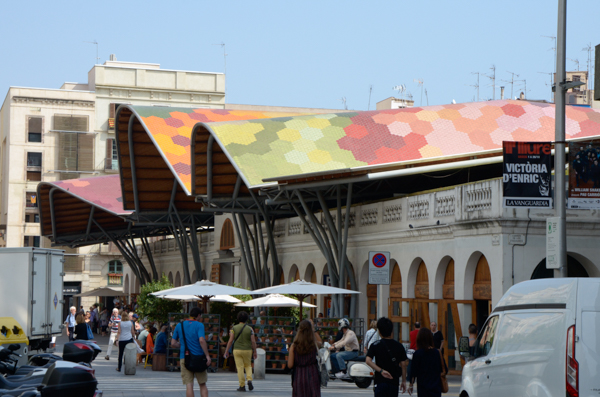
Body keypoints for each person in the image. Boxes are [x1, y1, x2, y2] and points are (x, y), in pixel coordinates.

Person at [171, 307, 211, 397]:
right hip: (199, 358)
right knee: (202, 384)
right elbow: (201, 340)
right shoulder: (199, 325)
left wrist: (182, 346)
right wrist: (207, 355)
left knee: (189, 385)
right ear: (198, 315)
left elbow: (173, 343)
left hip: (185, 358)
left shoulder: (179, 325)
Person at [366, 317, 408, 397]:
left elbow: (368, 360)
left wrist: (381, 371)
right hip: (394, 382)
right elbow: (403, 364)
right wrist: (404, 381)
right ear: (391, 331)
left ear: (379, 331)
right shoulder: (399, 346)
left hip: (380, 381)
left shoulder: (375, 345)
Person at [224, 311, 257, 392]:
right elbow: (253, 341)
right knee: (248, 365)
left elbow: (231, 340)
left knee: (240, 368)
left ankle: (242, 385)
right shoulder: (250, 329)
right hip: (248, 350)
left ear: (238, 318)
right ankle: (249, 379)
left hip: (237, 350)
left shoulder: (233, 328)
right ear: (247, 319)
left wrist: (226, 351)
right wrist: (255, 351)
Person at [287, 320, 321, 397]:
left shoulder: (294, 346)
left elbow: (290, 365)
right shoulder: (314, 344)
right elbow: (320, 342)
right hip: (312, 374)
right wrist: (313, 330)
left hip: (299, 375)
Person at [409, 328, 446, 397]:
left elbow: (413, 372)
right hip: (436, 388)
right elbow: (444, 369)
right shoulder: (437, 353)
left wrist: (411, 385)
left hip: (423, 388)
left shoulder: (417, 354)